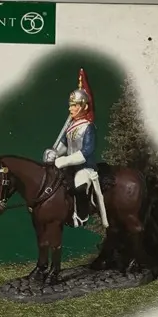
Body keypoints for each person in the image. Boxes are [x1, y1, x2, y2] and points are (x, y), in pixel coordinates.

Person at [43, 69, 101, 226]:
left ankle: (82, 216)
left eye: (74, 105)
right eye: (70, 105)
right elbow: (64, 144)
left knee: (79, 186)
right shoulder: (71, 126)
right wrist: (54, 153)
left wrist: (64, 160)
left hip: (85, 167)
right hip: (69, 167)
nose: (70, 109)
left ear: (83, 107)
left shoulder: (88, 126)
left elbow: (86, 151)